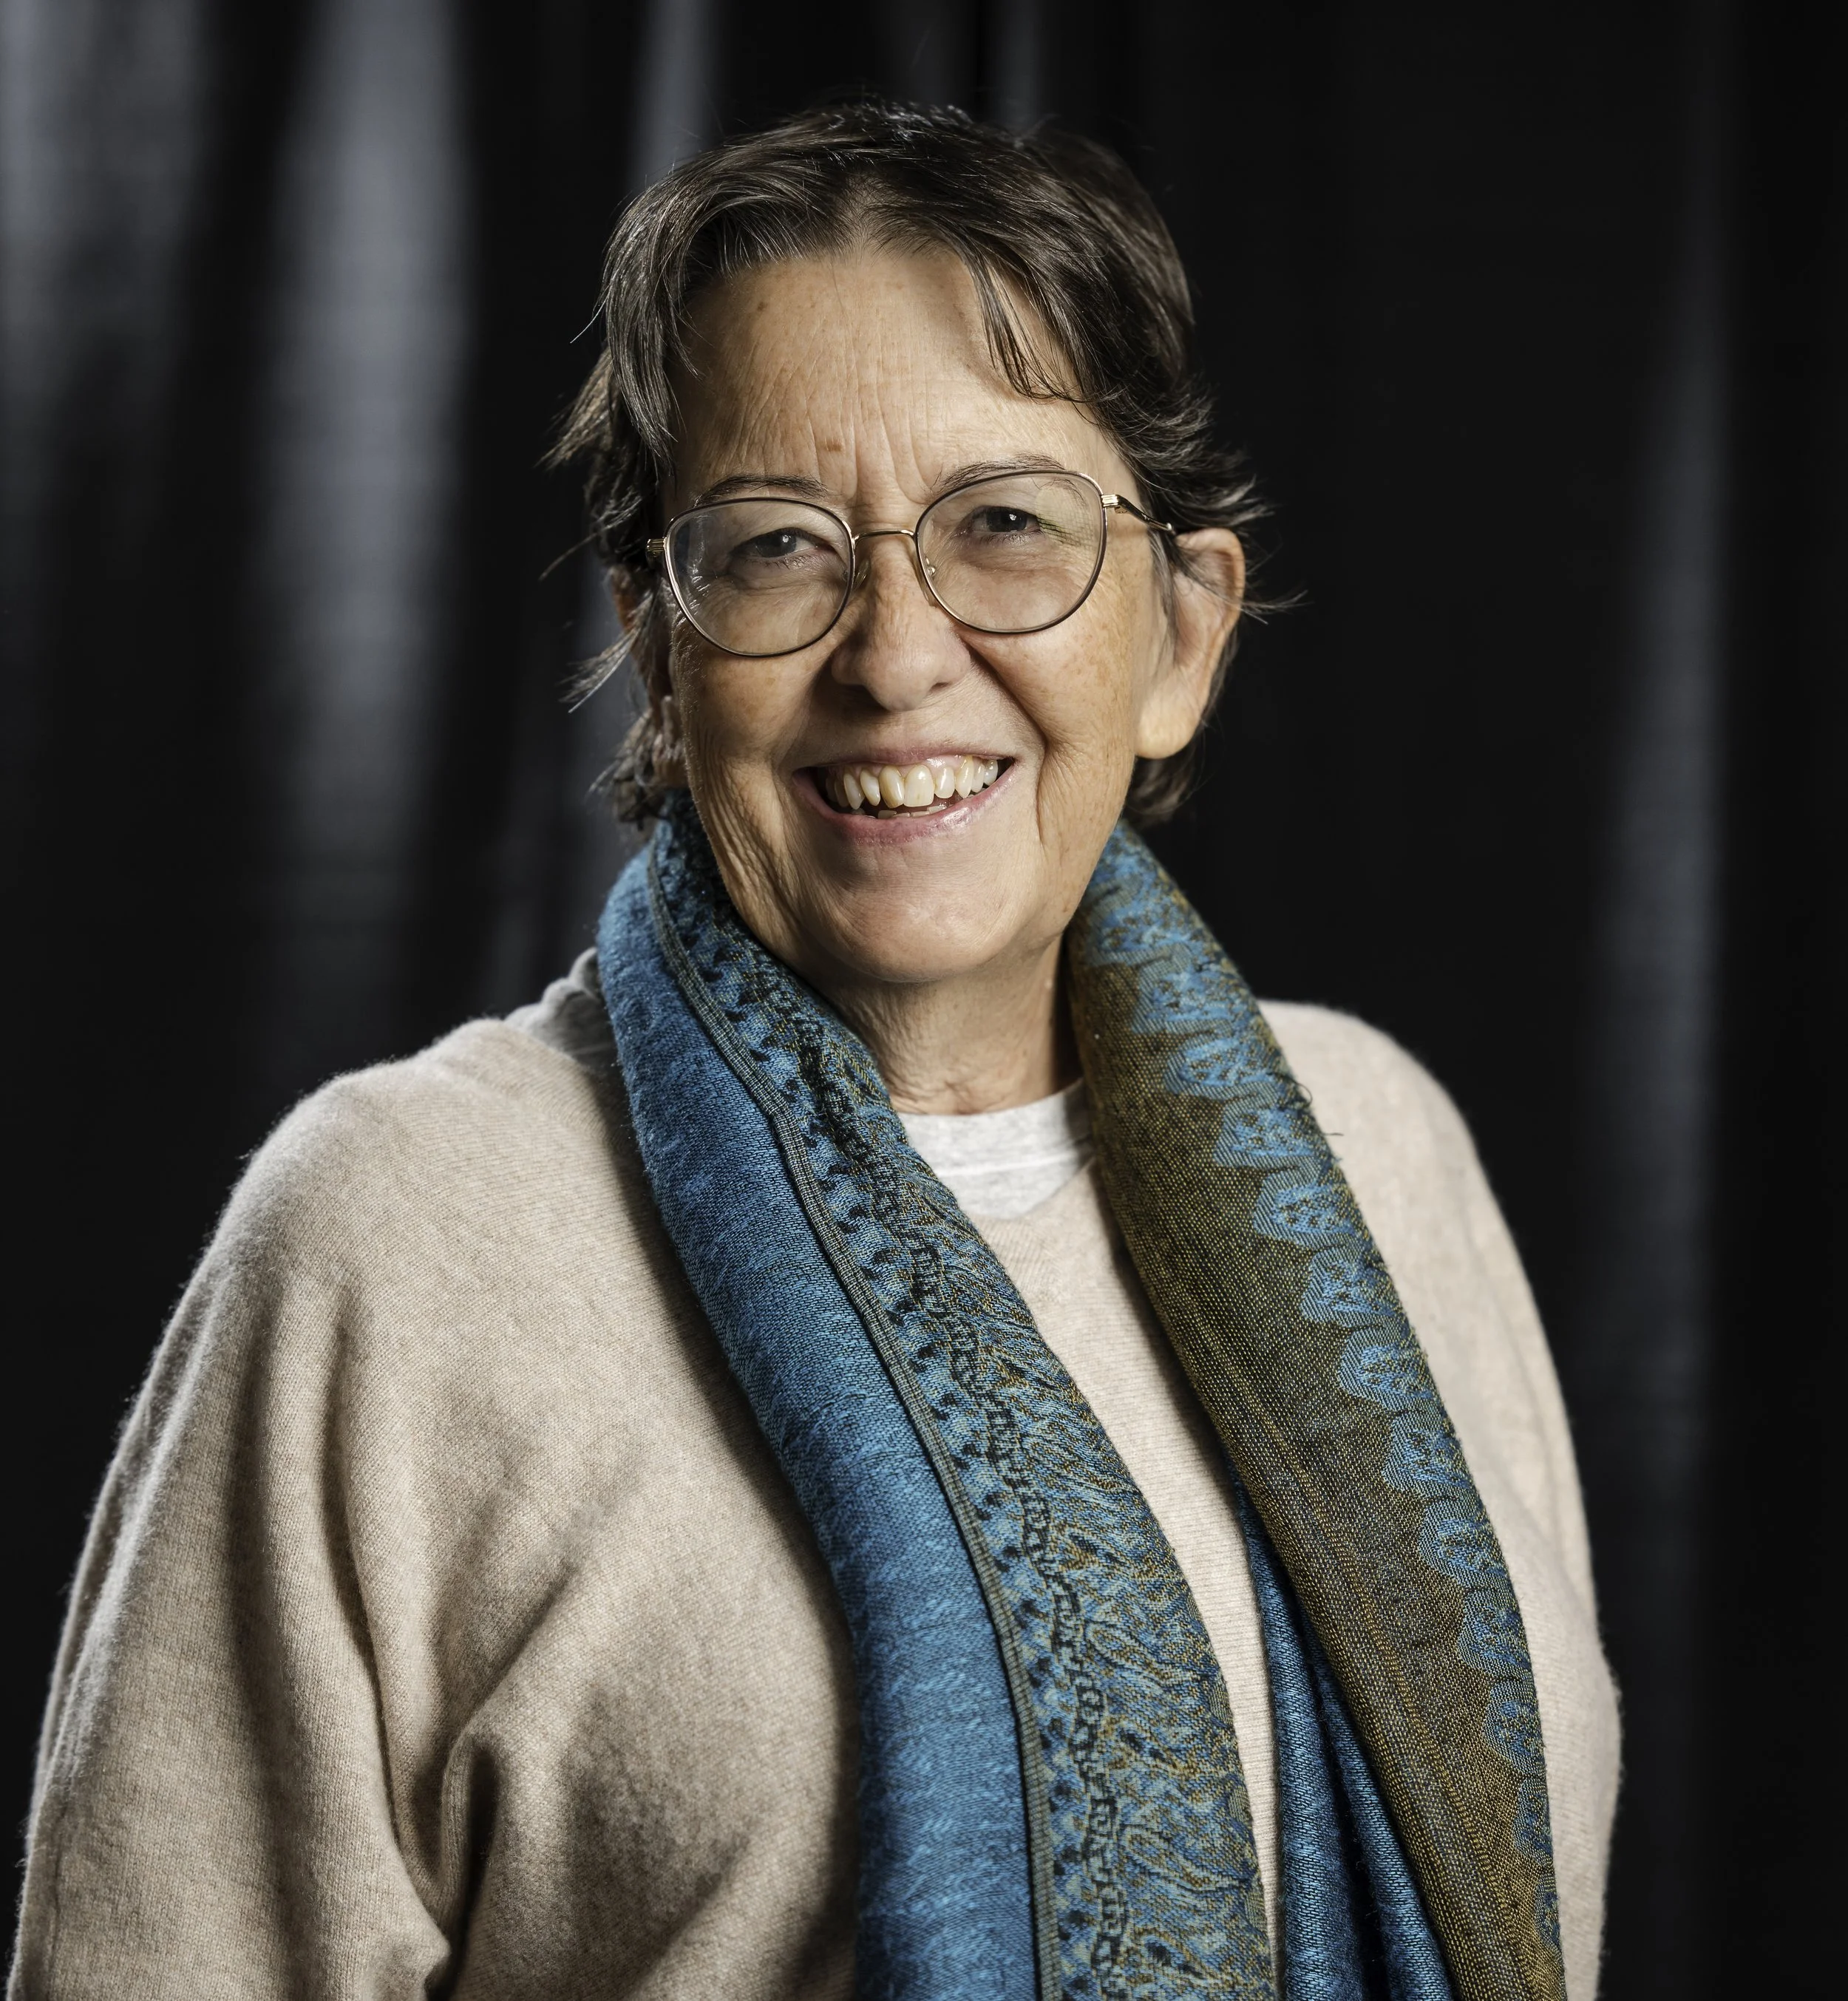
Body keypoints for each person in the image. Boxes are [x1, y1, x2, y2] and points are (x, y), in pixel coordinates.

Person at [9, 101, 1618, 2001]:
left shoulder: (1378, 1146)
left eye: (1006, 527)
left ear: (1183, 632)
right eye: (776, 550)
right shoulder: (394, 1239)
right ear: (661, 651)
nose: (895, 652)